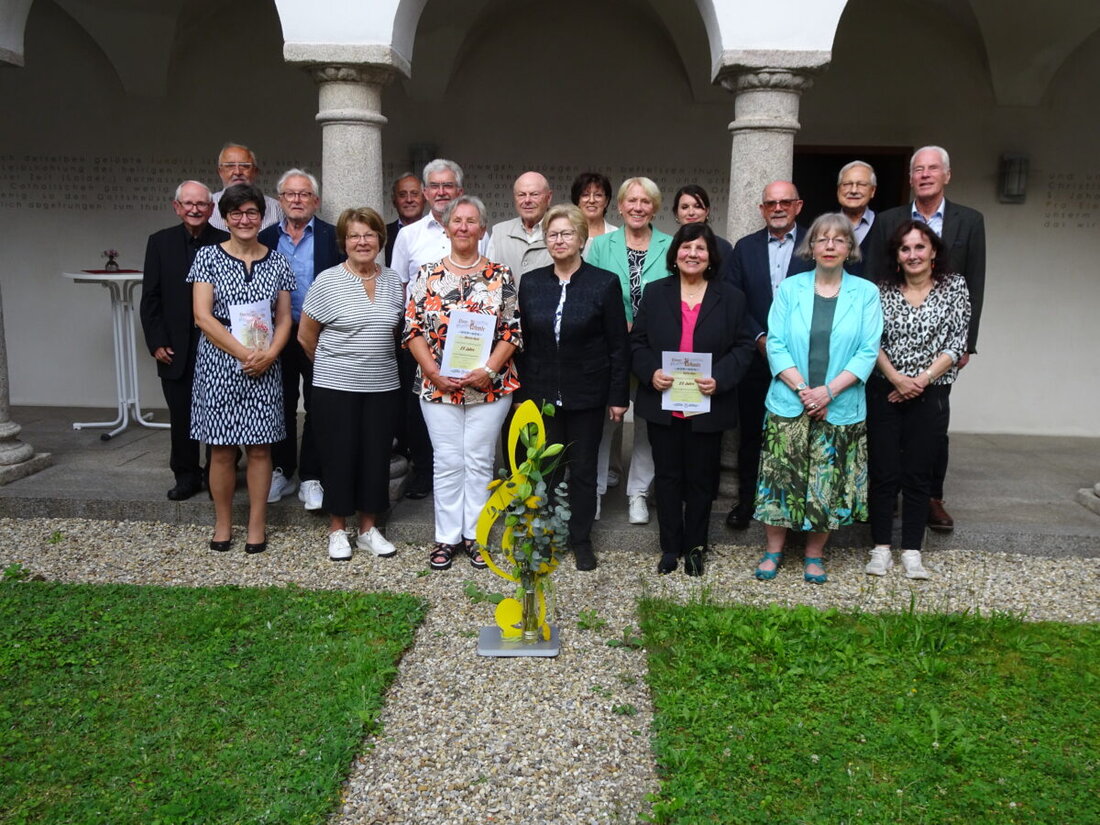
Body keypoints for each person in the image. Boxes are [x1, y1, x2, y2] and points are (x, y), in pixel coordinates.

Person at [752, 213, 882, 584]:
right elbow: (774, 342)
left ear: (849, 249)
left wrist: (828, 391)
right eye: (822, 239)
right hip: (789, 400)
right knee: (780, 479)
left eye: (838, 240)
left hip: (839, 404)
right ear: (811, 247)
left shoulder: (866, 293)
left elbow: (867, 350)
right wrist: (803, 390)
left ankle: (814, 554)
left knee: (827, 480)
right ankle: (773, 551)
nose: (829, 245)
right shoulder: (790, 289)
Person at [862, 146, 986, 531]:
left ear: (947, 175)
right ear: (911, 177)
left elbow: (976, 283)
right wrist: (891, 368)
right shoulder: (889, 220)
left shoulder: (969, 220)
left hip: (942, 350)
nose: (926, 174)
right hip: (890, 349)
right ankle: (886, 499)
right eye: (919, 169)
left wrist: (965, 344)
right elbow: (873, 282)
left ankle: (931, 496)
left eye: (933, 169)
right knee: (885, 425)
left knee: (933, 423)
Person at [403, 195, 522, 571]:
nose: (464, 227)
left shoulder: (501, 275)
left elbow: (512, 332)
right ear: (447, 227)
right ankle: (447, 537)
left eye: (472, 221)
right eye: (458, 221)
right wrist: (434, 372)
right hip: (437, 385)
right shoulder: (427, 274)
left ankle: (476, 536)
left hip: (490, 385)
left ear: (482, 229)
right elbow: (412, 329)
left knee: (479, 458)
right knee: (449, 460)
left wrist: (487, 370)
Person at [631, 223, 754, 576]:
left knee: (701, 481)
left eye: (700, 248)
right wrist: (651, 372)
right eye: (686, 248)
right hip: (664, 402)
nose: (692, 254)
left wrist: (722, 378)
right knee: (667, 478)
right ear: (676, 254)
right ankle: (670, 547)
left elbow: (744, 346)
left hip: (707, 403)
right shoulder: (655, 294)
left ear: (710, 256)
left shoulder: (730, 297)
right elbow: (637, 343)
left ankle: (696, 547)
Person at [515, 203, 629, 571]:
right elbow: (524, 342)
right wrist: (521, 395)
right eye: (552, 234)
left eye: (566, 234)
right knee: (544, 470)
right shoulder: (531, 283)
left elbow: (617, 345)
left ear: (581, 238)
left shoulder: (603, 283)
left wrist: (617, 396)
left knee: (581, 471)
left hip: (588, 395)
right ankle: (544, 537)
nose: (559, 240)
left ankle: (580, 539)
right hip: (541, 394)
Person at [188, 183, 295, 554]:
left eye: (252, 212)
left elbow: (284, 319)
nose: (245, 220)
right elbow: (202, 316)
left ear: (261, 216)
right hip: (220, 362)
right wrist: (242, 352)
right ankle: (222, 523)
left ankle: (256, 524)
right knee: (220, 449)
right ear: (225, 218)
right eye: (237, 213)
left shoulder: (277, 260)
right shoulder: (208, 257)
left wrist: (268, 355)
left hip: (265, 364)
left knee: (261, 449)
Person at [298, 207, 404, 562]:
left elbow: (392, 331)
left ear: (380, 239)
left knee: (376, 457)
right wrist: (335, 368)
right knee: (339, 457)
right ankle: (338, 529)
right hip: (335, 387)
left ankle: (368, 529)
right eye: (354, 235)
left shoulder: (392, 280)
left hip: (382, 385)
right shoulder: (328, 281)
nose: (362, 241)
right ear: (344, 242)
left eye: (369, 234)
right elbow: (306, 335)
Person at [866, 221, 970, 579]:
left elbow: (957, 343)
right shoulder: (880, 291)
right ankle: (880, 549)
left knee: (918, 473)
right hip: (885, 390)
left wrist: (921, 381)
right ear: (896, 256)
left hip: (931, 393)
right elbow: (870, 341)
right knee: (883, 472)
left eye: (919, 247)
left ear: (934, 252)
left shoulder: (955, 287)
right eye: (905, 248)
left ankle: (912, 550)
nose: (913, 255)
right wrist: (896, 378)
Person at [391, 159, 488, 500]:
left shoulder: (479, 232)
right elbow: (399, 286)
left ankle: (465, 473)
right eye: (435, 186)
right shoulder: (408, 235)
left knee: (467, 407)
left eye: (448, 186)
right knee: (419, 408)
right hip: (422, 342)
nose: (441, 192)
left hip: (471, 341)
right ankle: (424, 470)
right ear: (426, 192)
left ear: (459, 191)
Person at [725, 181, 814, 531]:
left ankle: (796, 506)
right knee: (751, 435)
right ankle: (748, 502)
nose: (778, 208)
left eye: (785, 202)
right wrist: (759, 337)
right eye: (771, 203)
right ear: (762, 209)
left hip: (803, 361)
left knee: (798, 433)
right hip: (755, 358)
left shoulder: (814, 245)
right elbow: (735, 300)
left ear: (798, 205)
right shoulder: (744, 249)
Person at [586, 177, 672, 525]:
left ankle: (638, 493)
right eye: (631, 201)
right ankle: (591, 491)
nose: (638, 207)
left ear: (655, 207)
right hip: (610, 348)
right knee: (604, 422)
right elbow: (590, 293)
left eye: (645, 201)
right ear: (619, 206)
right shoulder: (600, 246)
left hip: (654, 349)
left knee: (649, 424)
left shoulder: (670, 244)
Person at [257, 169, 345, 510]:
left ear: (316, 201)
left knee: (317, 403)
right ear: (280, 201)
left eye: (304, 194)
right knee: (278, 402)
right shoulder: (263, 238)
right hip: (273, 335)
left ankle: (311, 475)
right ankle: (281, 469)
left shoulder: (331, 236)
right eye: (290, 194)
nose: (296, 200)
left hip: (318, 334)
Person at [140, 180, 228, 500]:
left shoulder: (226, 242)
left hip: (217, 346)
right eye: (188, 204)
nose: (194, 209)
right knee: (181, 413)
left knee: (219, 412)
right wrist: (156, 341)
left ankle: (218, 472)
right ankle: (186, 475)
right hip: (174, 348)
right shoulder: (159, 243)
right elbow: (150, 298)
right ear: (176, 207)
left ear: (212, 209)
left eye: (201, 204)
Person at [486, 171, 553, 284]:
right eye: (521, 195)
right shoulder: (499, 232)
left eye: (534, 194)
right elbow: (489, 278)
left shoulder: (560, 233)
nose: (527, 200)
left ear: (549, 197)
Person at [208, 143, 282, 231]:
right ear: (220, 172)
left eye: (245, 166)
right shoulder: (207, 206)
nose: (237, 172)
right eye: (230, 166)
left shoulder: (276, 208)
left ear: (255, 171)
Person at [671, 184, 735, 283]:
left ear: (707, 211)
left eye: (697, 206)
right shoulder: (666, 244)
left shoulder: (723, 248)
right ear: (676, 213)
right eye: (685, 207)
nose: (691, 212)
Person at [836, 161, 877, 277]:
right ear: (838, 190)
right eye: (847, 184)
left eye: (862, 184)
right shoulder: (824, 226)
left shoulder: (885, 225)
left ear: (872, 191)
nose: (853, 190)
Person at [385, 172, 426, 265]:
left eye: (414, 194)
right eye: (402, 195)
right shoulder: (383, 235)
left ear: (424, 198)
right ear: (394, 200)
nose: (409, 200)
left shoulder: (436, 232)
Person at [570, 172, 617, 253]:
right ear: (578, 200)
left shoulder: (615, 234)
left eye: (598, 195)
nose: (591, 200)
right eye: (585, 195)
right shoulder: (567, 232)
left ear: (606, 201)